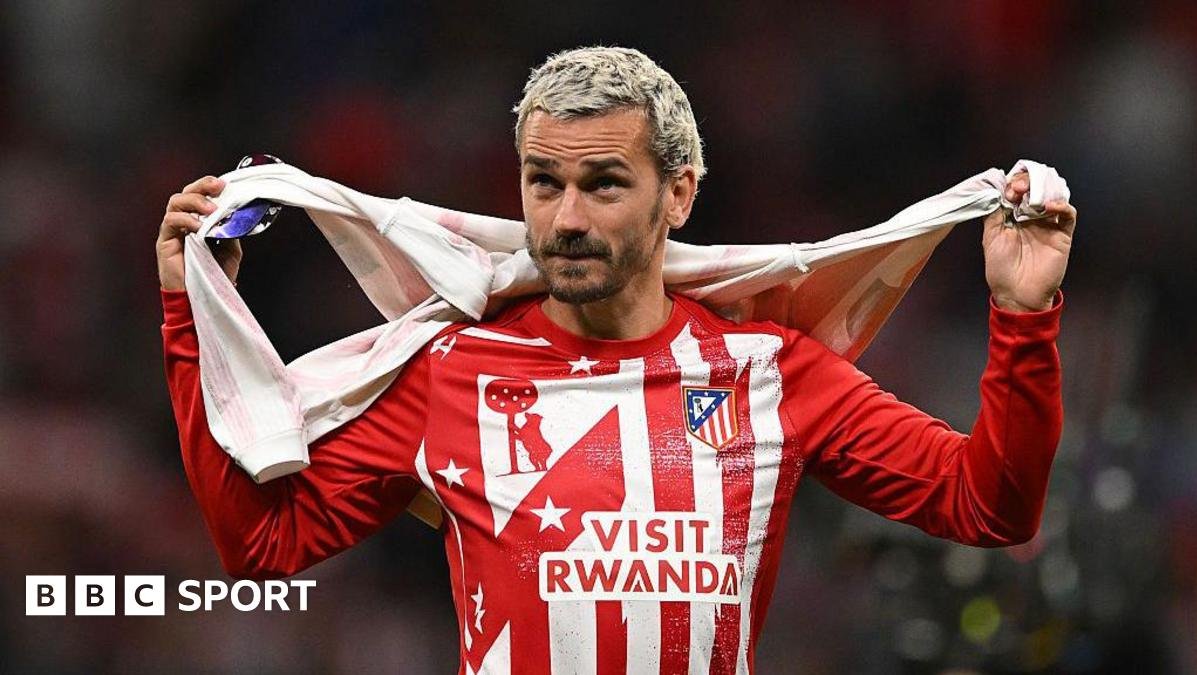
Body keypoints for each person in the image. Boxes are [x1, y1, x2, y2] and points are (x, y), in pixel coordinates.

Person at [157, 46, 1075, 674]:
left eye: (603, 184)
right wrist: (188, 312)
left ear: (678, 195)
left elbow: (988, 504)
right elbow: (262, 543)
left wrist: (1023, 316)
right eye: (543, 182)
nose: (566, 218)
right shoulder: (450, 372)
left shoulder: (769, 372)